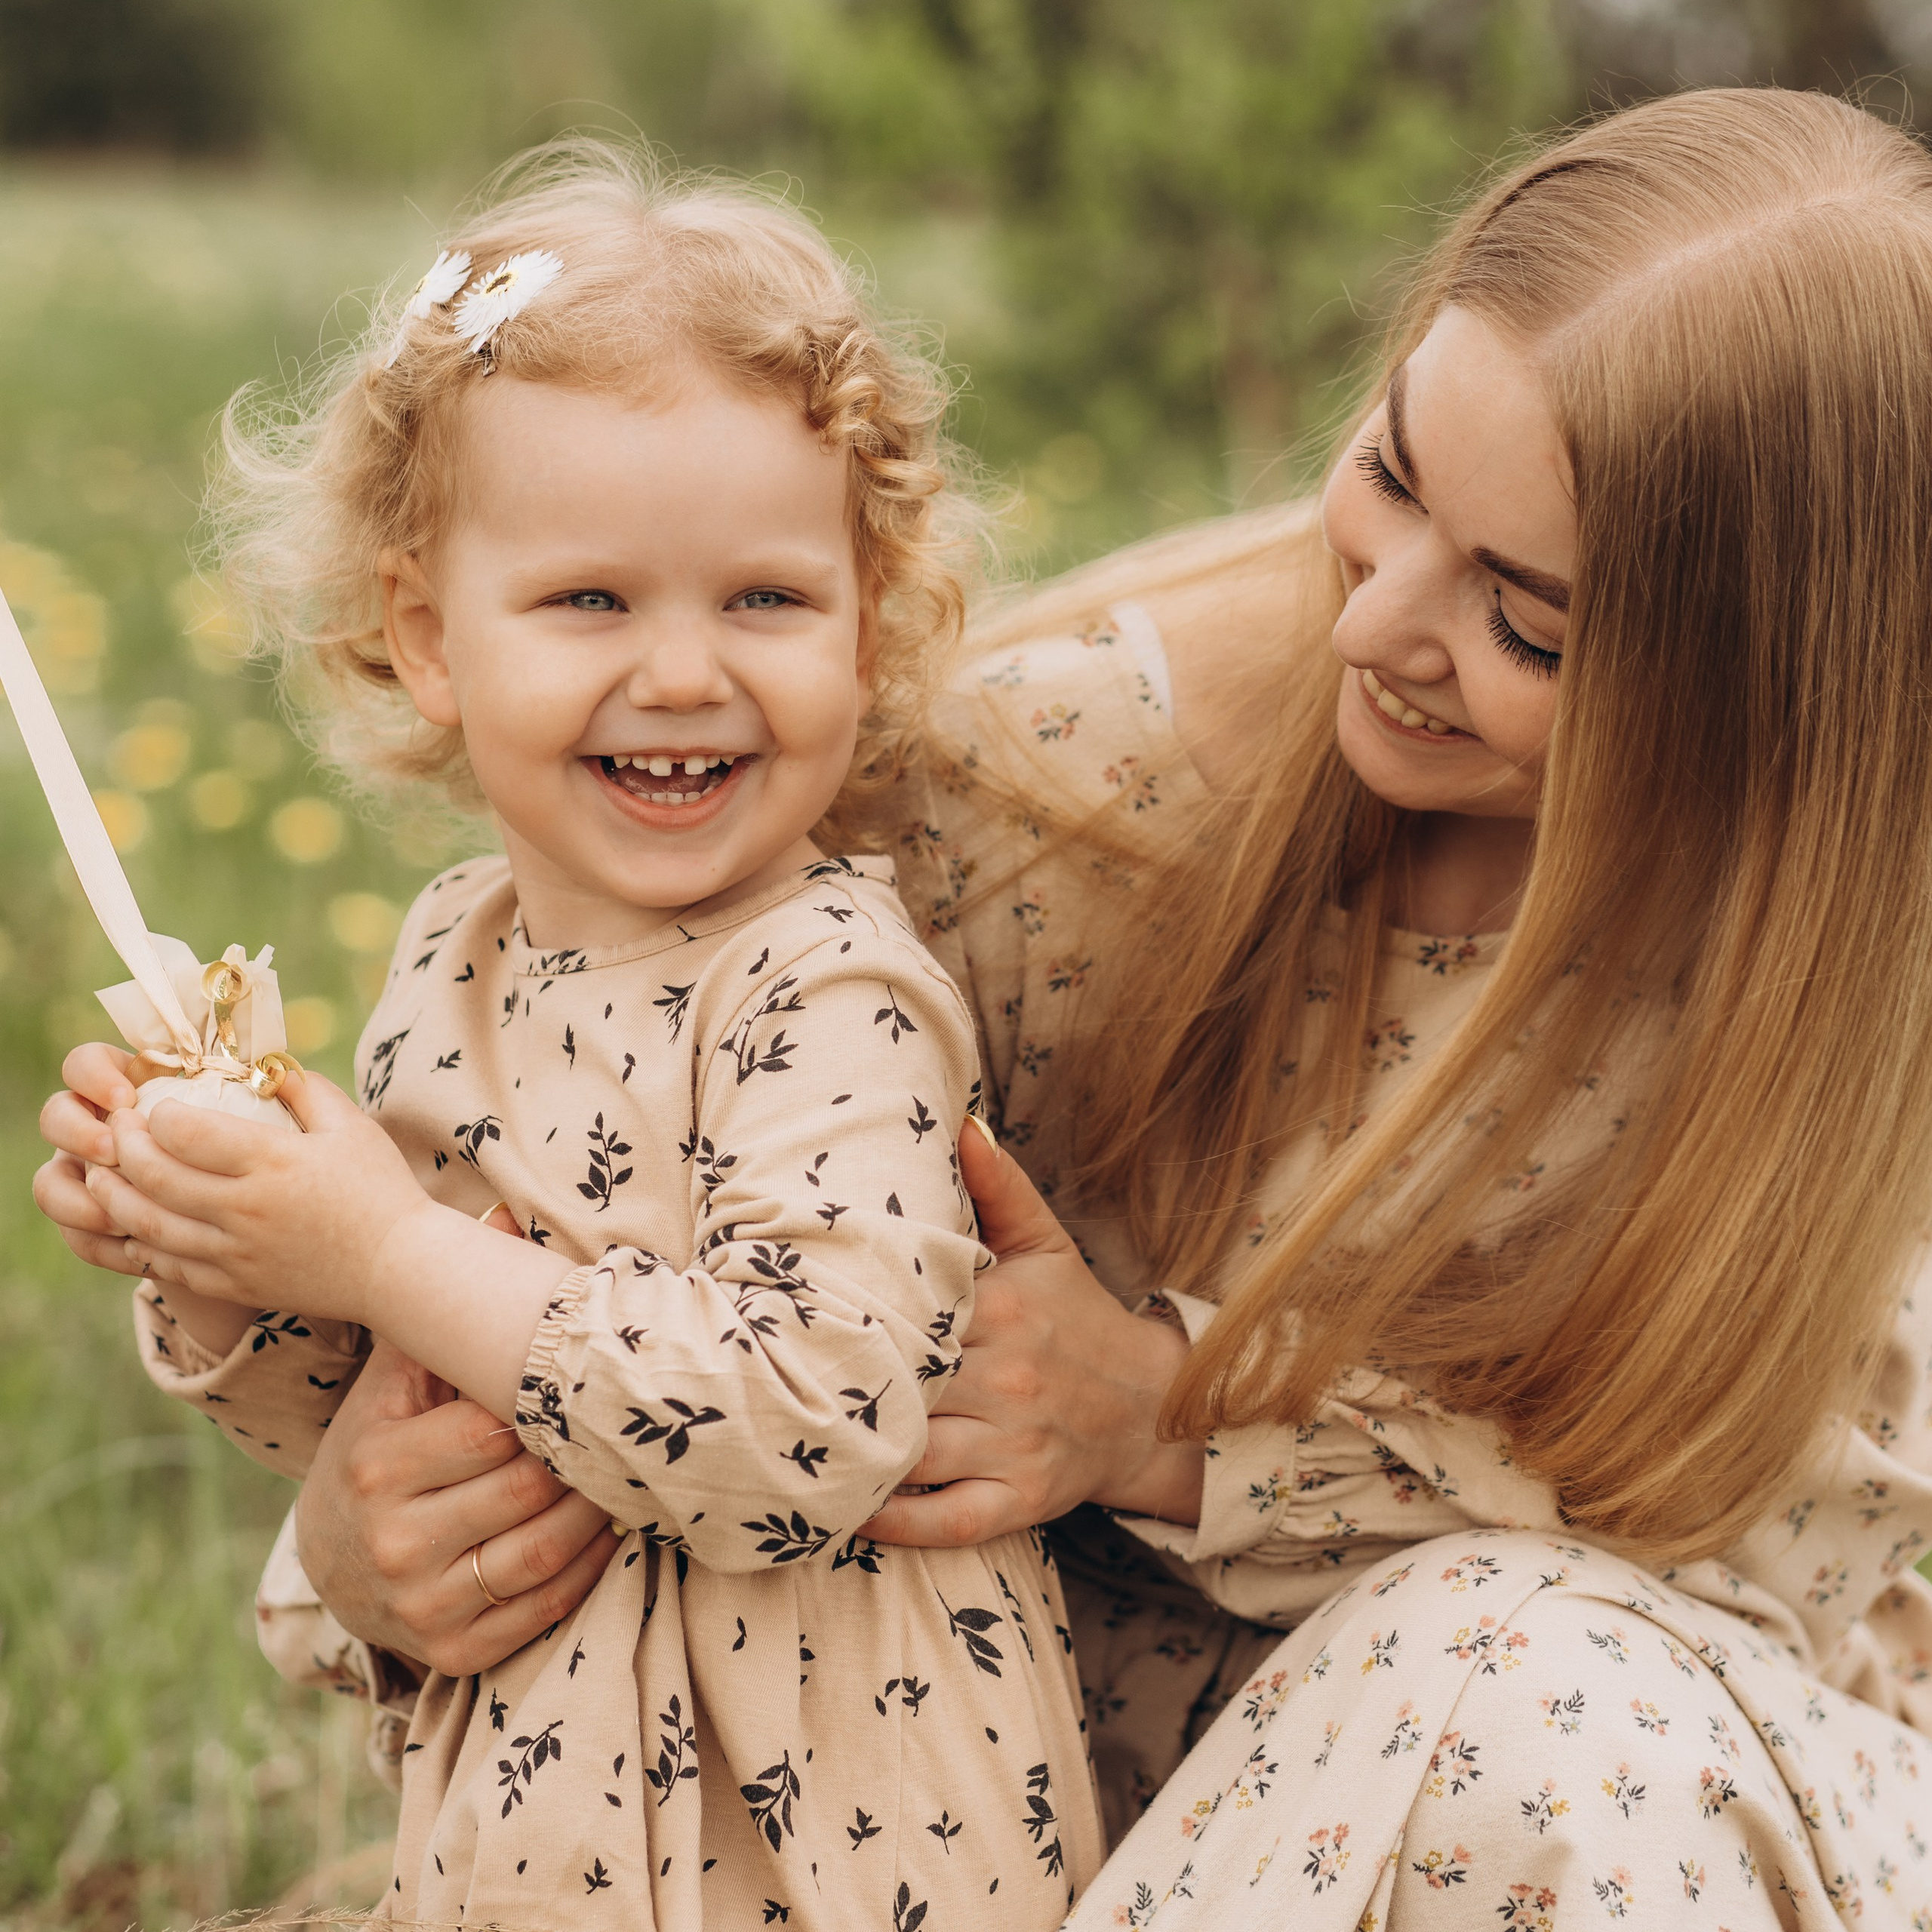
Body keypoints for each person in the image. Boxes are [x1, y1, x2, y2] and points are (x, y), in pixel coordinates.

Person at [38, 85, 1932, 1924]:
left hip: (1601, 1826)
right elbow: (576, 1270)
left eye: (1523, 617)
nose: (1369, 622)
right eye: (1389, 474)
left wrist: (1173, 1429)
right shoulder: (1047, 802)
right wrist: (351, 1535)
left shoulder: (1837, 1022)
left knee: (1529, 1692)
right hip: (1016, 1818)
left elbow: (1750, 1574)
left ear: (1767, 694)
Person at [45, 149, 1103, 1930]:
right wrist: (230, 1251)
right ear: (425, 638)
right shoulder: (450, 954)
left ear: (868, 620)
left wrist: (377, 1236)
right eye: (590, 600)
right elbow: (407, 1406)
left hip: (827, 1850)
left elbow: (800, 1427)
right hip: (534, 1831)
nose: (682, 670)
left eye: (764, 598)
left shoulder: (829, 985)